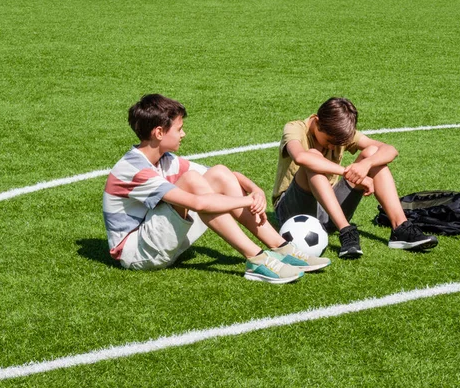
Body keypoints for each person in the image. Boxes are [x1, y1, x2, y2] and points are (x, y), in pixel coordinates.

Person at [103, 94, 330, 284]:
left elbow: (225, 177)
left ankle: (282, 248)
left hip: (158, 241)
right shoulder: (133, 169)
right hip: (137, 254)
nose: (184, 134)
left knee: (219, 172)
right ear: (159, 133)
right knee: (192, 180)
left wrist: (255, 189)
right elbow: (198, 203)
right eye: (179, 129)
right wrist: (247, 201)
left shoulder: (164, 159)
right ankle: (257, 258)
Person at [273, 97, 438, 259]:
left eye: (338, 144)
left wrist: (366, 165)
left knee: (373, 153)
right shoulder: (294, 128)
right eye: (330, 141)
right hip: (292, 211)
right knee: (313, 157)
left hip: (328, 208)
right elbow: (301, 158)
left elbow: (390, 150)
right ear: (316, 121)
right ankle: (346, 232)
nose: (333, 146)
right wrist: (347, 172)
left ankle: (401, 228)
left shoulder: (339, 133)